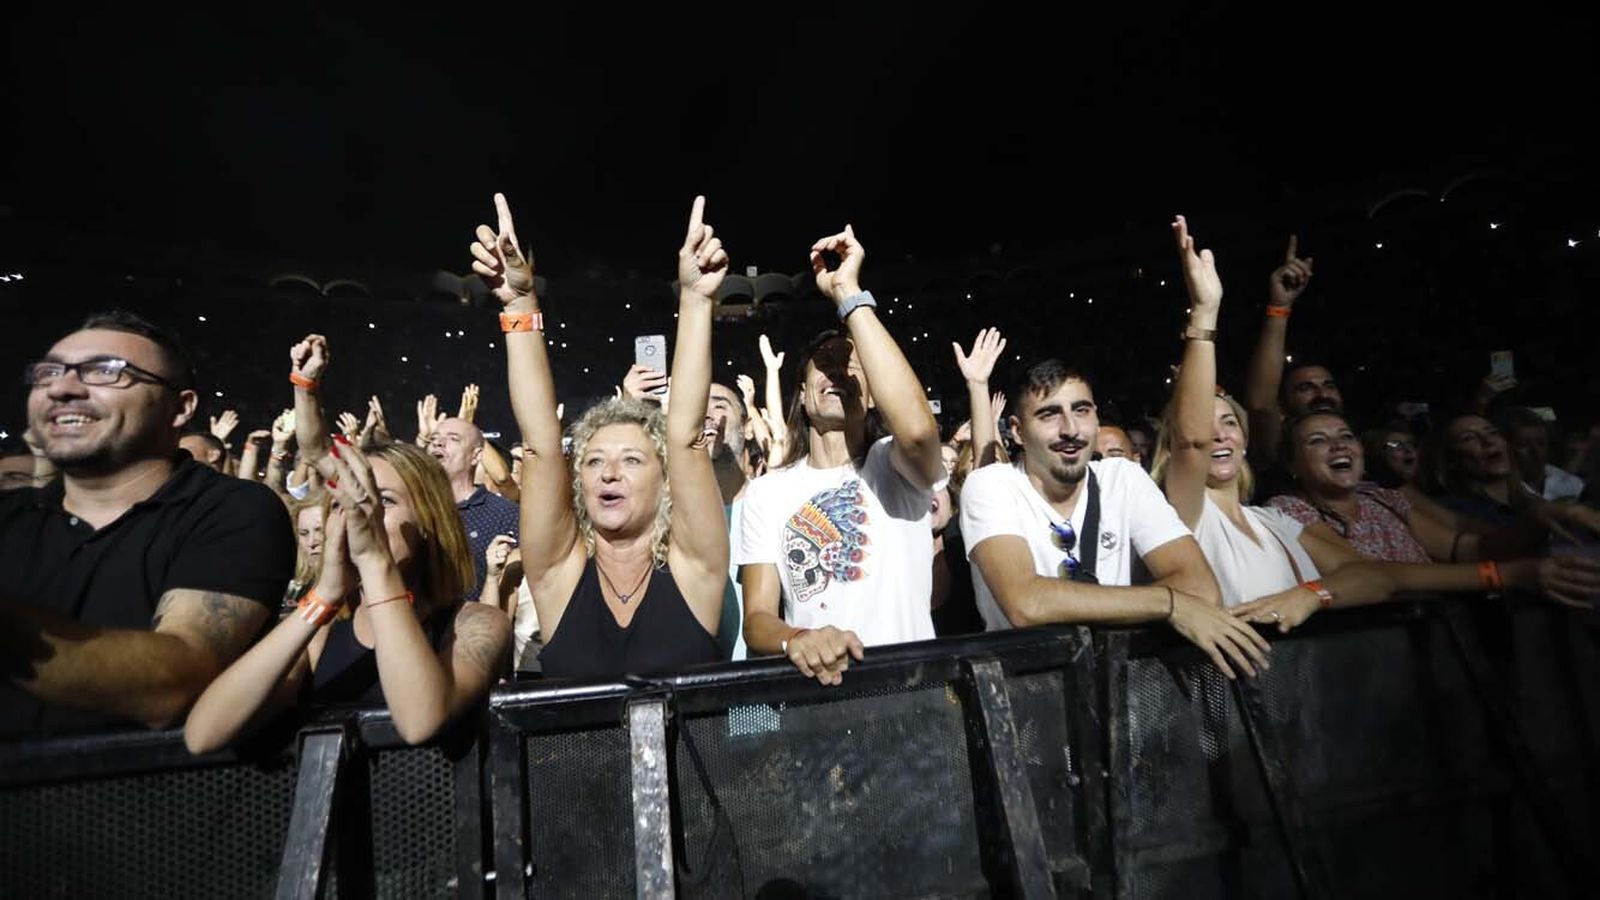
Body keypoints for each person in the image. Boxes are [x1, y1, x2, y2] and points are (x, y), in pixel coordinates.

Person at [1148, 218, 1600, 632]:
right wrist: (1205, 314)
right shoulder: (1182, 514)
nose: (1218, 434)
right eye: (1317, 439)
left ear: (1245, 440)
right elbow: (1197, 439)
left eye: (1230, 421)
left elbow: (1375, 574)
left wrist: (1312, 594)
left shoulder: (1276, 520)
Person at [182, 334, 511, 752]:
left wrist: (375, 564)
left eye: (382, 502)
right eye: (347, 504)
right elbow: (204, 734)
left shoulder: (476, 624)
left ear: (429, 520)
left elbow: (419, 722)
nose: (359, 516)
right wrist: (325, 593)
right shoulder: (320, 632)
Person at [0, 310, 292, 736]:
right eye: (48, 373)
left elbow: (176, 683)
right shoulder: (9, 517)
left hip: (133, 779)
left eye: (105, 371)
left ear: (181, 408)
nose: (62, 388)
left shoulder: (231, 511)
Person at [479, 193, 728, 678]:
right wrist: (520, 305)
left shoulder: (695, 567)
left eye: (632, 460)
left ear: (667, 481)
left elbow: (686, 438)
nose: (609, 472)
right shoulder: (559, 573)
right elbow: (540, 446)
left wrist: (697, 300)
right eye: (593, 461)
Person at [956, 341, 1270, 677]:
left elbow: (1201, 588)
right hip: (1028, 693)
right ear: (1018, 431)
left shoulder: (1123, 478)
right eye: (1049, 414)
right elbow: (1027, 603)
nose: (1070, 429)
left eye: (1081, 410)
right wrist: (1170, 603)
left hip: (1122, 689)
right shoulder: (991, 485)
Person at [738, 223, 946, 686]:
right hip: (820, 699)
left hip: (914, 692)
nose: (839, 373)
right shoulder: (767, 493)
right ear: (802, 393)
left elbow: (917, 430)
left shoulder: (896, 466)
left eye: (852, 368)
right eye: (826, 365)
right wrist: (798, 638)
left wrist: (848, 293)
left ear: (872, 398)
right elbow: (757, 619)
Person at [1242, 235, 1336, 467]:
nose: (1322, 394)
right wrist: (1280, 306)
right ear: (1284, 405)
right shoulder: (1285, 449)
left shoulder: (1364, 453)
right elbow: (1261, 405)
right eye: (1305, 388)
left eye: (1329, 385)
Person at [426, 414, 519, 599]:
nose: (438, 443)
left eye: (453, 439)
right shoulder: (412, 507)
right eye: (434, 438)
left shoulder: (506, 514)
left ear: (476, 456)